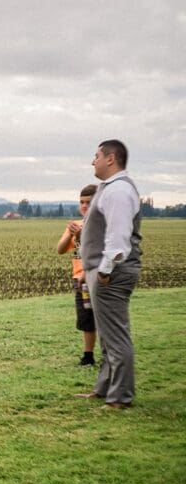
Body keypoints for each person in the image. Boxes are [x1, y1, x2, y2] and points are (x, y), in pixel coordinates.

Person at [75, 140, 142, 410]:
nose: (94, 161)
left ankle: (120, 397)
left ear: (111, 159)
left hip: (112, 273)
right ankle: (104, 388)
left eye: (97, 156)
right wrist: (88, 271)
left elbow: (118, 239)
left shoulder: (119, 191)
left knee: (115, 336)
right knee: (106, 335)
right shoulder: (110, 189)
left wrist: (102, 272)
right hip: (100, 272)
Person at [57, 184, 98, 366]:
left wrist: (81, 235)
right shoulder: (76, 225)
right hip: (79, 278)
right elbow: (60, 250)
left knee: (102, 317)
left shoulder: (100, 225)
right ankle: (88, 355)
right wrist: (71, 234)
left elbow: (96, 249)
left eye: (89, 202)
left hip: (97, 277)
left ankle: (109, 353)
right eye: (81, 202)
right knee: (86, 317)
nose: (84, 206)